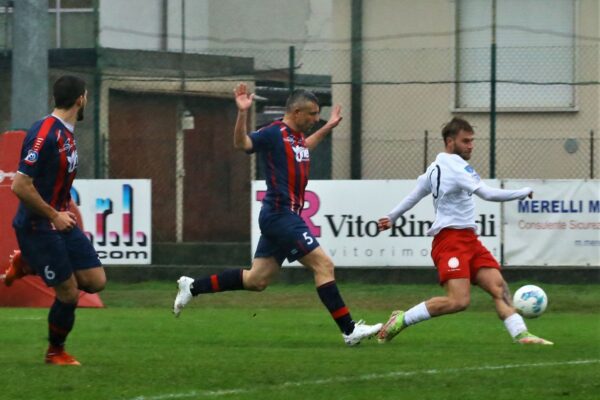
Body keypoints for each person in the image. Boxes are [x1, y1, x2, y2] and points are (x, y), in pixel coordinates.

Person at [173, 83, 381, 346]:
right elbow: (242, 143)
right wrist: (242, 112)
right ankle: (349, 330)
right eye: (313, 114)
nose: (317, 119)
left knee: (256, 280)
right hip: (280, 215)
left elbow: (304, 148)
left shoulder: (295, 139)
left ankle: (192, 287)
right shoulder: (273, 133)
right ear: (295, 112)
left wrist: (328, 128)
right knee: (324, 265)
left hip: (281, 217)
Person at [376, 117, 552, 345]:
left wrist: (391, 217)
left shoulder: (434, 167)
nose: (471, 146)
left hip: (469, 240)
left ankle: (522, 335)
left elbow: (415, 194)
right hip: (450, 241)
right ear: (450, 142)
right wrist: (522, 192)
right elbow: (487, 194)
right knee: (458, 301)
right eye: (465, 141)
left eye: (471, 141)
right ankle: (401, 319)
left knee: (498, 286)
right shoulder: (457, 167)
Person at [10, 75, 106, 365]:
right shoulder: (45, 133)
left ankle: (27, 263)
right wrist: (53, 214)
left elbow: (55, 181)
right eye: (86, 95)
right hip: (39, 225)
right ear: (81, 99)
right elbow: (19, 185)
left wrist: (65, 210)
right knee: (68, 293)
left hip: (60, 220)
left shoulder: (67, 132)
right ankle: (55, 352)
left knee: (95, 281)